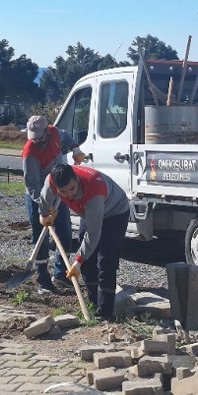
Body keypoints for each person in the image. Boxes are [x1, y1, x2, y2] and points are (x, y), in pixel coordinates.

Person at [39, 163, 130, 321]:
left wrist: (77, 261)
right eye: (63, 192)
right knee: (88, 261)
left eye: (72, 189)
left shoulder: (93, 189)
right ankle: (93, 305)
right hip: (88, 212)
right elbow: (44, 199)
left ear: (76, 179)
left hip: (114, 211)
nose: (69, 195)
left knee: (105, 261)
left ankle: (105, 313)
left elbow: (94, 234)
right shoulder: (51, 181)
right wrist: (44, 214)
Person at [21, 115, 74, 294]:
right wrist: (45, 209)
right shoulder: (30, 153)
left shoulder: (55, 133)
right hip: (39, 197)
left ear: (47, 131)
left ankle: (60, 275)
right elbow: (33, 187)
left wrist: (75, 148)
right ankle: (43, 279)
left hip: (60, 194)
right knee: (41, 238)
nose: (36, 140)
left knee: (65, 234)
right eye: (33, 137)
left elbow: (66, 137)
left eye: (39, 136)